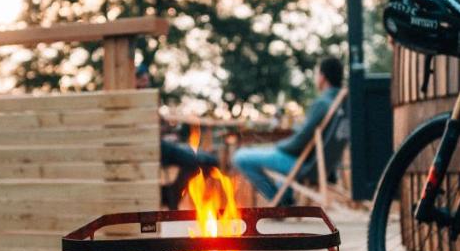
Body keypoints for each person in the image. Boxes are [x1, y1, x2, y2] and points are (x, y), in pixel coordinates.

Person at [232, 57, 343, 206]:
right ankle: (284, 198)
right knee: (276, 155)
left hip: (306, 166)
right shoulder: (341, 103)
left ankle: (280, 201)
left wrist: (279, 146)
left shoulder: (323, 103)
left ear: (322, 77)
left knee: (241, 156)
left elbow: (301, 140)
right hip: (323, 166)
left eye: (317, 74)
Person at [136, 63, 219, 209]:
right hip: (152, 146)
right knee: (198, 161)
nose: (145, 83)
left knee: (209, 160)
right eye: (142, 80)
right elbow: (144, 129)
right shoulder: (135, 100)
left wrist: (167, 131)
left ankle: (170, 195)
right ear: (135, 80)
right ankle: (169, 196)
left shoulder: (146, 98)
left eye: (146, 80)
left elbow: (159, 125)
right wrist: (162, 132)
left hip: (159, 143)